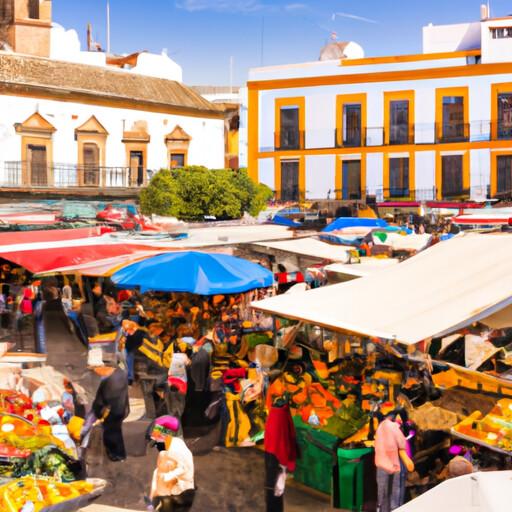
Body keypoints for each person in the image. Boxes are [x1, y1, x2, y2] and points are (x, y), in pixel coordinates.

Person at [375, 408, 414, 512]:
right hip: (396, 465)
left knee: (383, 493)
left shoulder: (381, 426)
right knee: (396, 496)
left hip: (382, 465)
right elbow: (403, 451)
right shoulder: (394, 428)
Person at [91, 366, 130, 462]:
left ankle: (115, 454)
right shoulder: (121, 374)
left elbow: (99, 402)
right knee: (117, 432)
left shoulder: (106, 383)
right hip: (121, 409)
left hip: (110, 414)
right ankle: (121, 454)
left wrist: (98, 413)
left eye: (97, 369)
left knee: (110, 434)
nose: (97, 372)